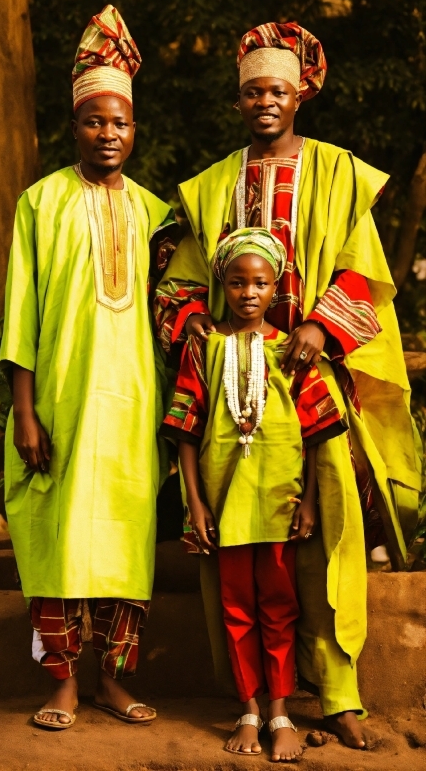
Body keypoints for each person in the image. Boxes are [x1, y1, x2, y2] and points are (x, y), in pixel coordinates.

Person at [155, 21, 420, 748]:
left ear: (302, 90)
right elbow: (176, 284)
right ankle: (256, 701)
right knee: (241, 544)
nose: (264, 102)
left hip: (315, 383)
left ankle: (338, 693)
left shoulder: (337, 170)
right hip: (233, 386)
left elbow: (367, 276)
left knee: (329, 529)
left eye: (277, 89)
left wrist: (321, 328)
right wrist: (194, 328)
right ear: (238, 100)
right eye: (251, 92)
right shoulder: (211, 186)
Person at [0, 5, 177, 730]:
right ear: (74, 125)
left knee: (124, 546)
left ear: (136, 130)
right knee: (62, 540)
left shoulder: (158, 215)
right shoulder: (39, 203)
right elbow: (21, 317)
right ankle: (63, 683)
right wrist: (24, 409)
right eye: (95, 121)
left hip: (134, 410)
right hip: (63, 405)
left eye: (121, 123)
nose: (109, 134)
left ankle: (112, 679)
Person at [162, 228, 352, 761]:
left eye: (261, 282)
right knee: (236, 607)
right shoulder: (202, 349)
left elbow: (315, 435)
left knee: (279, 607)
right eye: (238, 282)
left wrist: (310, 501)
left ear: (277, 288)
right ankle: (248, 708)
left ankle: (281, 711)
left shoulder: (291, 350)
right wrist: (195, 503)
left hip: (279, 504)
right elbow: (185, 433)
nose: (249, 292)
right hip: (223, 506)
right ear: (221, 283)